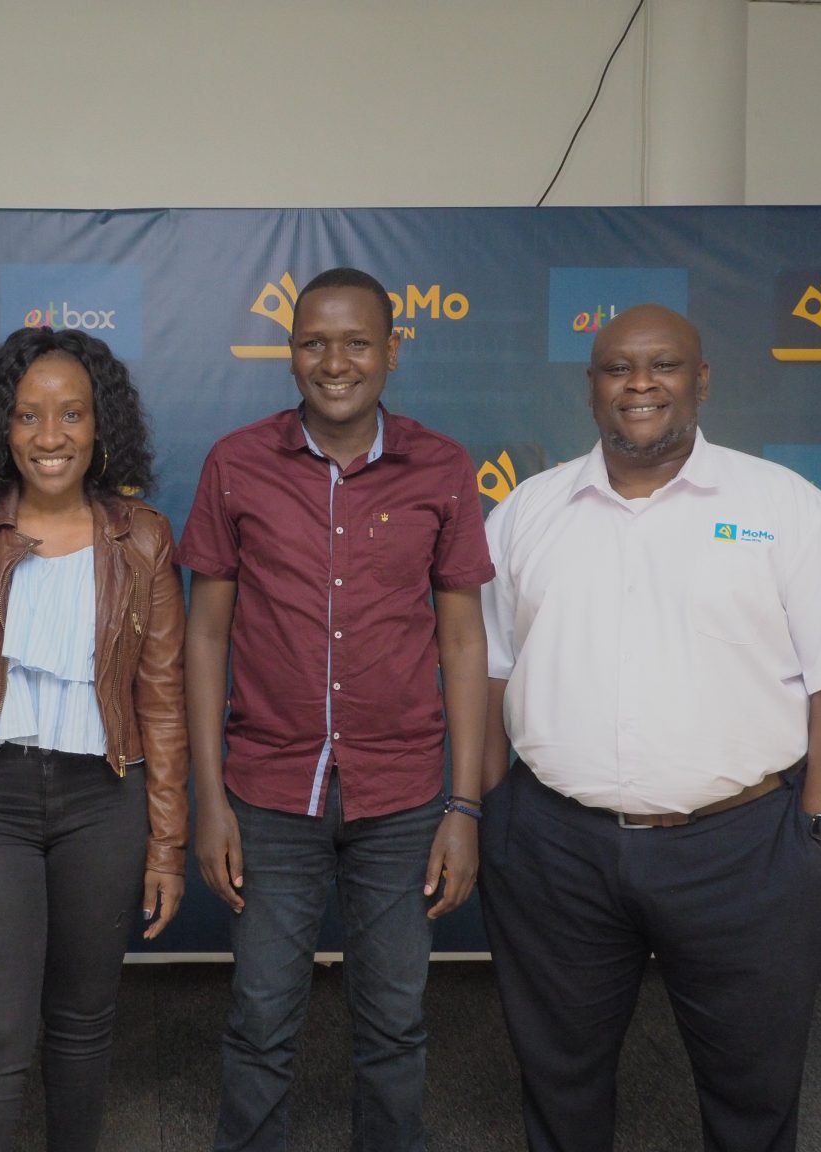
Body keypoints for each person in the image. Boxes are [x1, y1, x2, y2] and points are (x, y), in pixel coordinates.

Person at [478, 303, 821, 1152]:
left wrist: (817, 831)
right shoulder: (526, 512)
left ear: (701, 379)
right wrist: (496, 813)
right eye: (618, 368)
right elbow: (488, 672)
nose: (640, 384)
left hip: (742, 853)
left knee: (753, 1087)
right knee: (558, 1080)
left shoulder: (786, 507)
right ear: (591, 386)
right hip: (555, 849)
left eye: (664, 365)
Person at [178, 267, 493, 1151]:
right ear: (290, 354)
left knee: (394, 1021)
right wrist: (211, 800)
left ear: (392, 350)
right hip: (269, 791)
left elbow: (463, 640)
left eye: (357, 342)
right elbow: (205, 637)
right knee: (260, 1017)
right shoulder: (236, 463)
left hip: (403, 795)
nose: (335, 361)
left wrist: (464, 806)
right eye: (314, 342)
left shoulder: (442, 466)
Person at [0, 325, 188, 1152]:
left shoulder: (143, 535)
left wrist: (168, 845)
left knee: (84, 1024)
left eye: (71, 414)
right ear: (3, 425)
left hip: (105, 802)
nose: (49, 436)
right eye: (28, 416)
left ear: (101, 426)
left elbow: (163, 702)